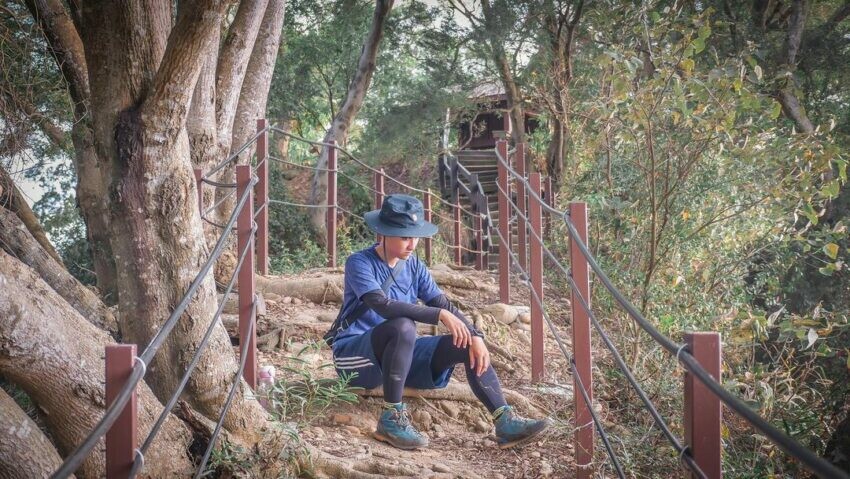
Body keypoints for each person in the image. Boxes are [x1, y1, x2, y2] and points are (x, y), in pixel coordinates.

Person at [325, 194, 551, 450]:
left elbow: (442, 303)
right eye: (405, 237)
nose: (412, 244)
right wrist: (437, 316)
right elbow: (382, 305)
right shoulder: (360, 262)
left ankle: (504, 421)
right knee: (403, 325)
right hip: (354, 357)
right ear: (384, 234)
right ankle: (391, 418)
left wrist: (475, 334)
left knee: (466, 343)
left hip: (398, 356)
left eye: (416, 236)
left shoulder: (414, 266)